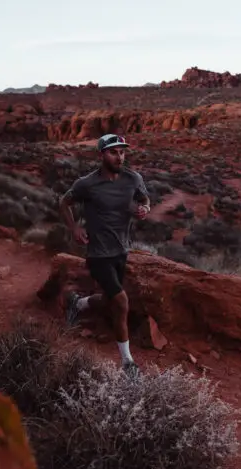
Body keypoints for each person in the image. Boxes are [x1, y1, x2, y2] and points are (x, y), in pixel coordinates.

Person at [59, 133, 152, 377]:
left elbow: (144, 198)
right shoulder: (87, 184)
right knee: (121, 301)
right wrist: (75, 228)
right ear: (101, 155)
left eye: (122, 152)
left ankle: (77, 303)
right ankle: (128, 363)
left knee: (111, 299)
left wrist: (145, 209)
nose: (119, 156)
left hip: (122, 249)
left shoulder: (133, 178)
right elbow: (63, 202)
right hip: (98, 252)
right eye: (113, 152)